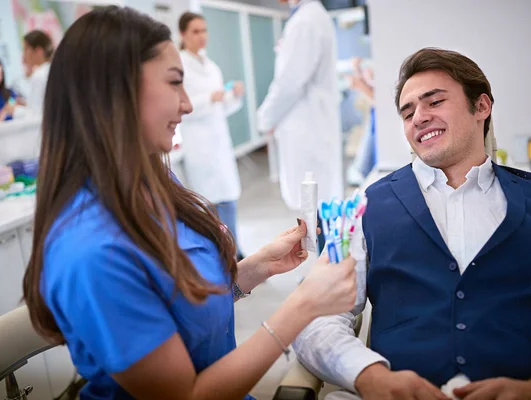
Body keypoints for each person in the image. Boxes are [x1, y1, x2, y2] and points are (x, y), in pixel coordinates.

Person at [22, 6, 357, 400]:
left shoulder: (153, 180)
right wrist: (300, 308)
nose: (188, 104)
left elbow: (180, 307)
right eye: (174, 83)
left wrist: (256, 267)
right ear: (118, 91)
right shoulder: (92, 252)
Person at [293, 48, 531, 400]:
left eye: (434, 102)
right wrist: (368, 375)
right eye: (407, 112)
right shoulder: (364, 207)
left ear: (481, 107)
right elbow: (314, 315)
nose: (418, 118)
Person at [257, 0, 344, 211]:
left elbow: (289, 82)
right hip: (314, 127)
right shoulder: (310, 17)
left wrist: (265, 117)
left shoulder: (305, 21)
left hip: (308, 130)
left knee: (312, 210)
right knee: (317, 206)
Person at [177, 12, 246, 260]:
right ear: (183, 34)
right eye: (195, 31)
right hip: (199, 146)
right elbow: (179, 106)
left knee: (228, 197)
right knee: (209, 204)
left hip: (219, 143)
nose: (202, 36)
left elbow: (222, 107)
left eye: (204, 30)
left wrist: (233, 95)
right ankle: (221, 255)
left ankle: (235, 250)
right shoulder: (181, 66)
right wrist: (209, 98)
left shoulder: (211, 66)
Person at [21, 29, 53, 114]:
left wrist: (14, 110)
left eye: (25, 49)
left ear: (39, 51)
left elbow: (35, 115)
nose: (24, 55)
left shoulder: (40, 75)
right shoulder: (53, 69)